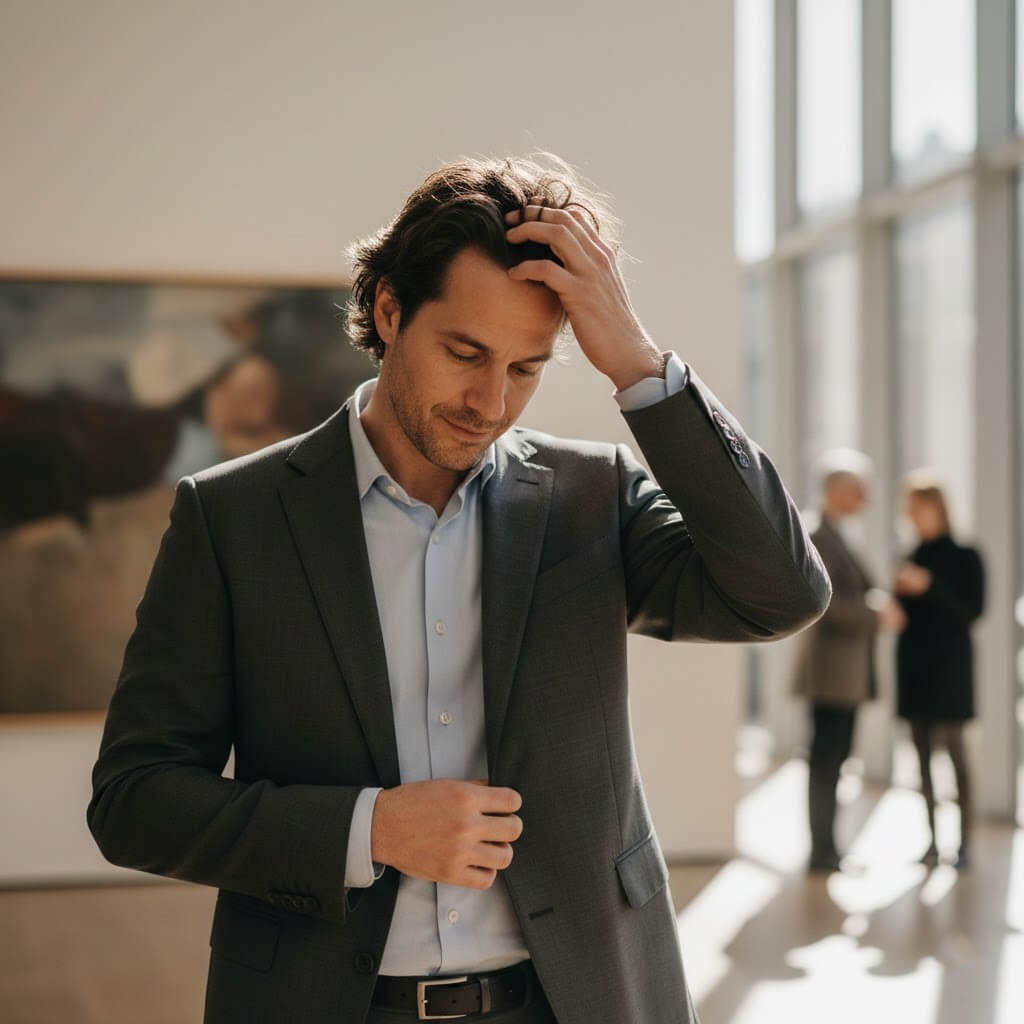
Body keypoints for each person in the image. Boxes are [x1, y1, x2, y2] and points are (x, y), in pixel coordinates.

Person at [88, 154, 831, 1024]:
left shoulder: (592, 499)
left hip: (577, 1000)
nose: (490, 401)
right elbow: (134, 799)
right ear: (390, 310)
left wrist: (635, 360)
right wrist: (370, 829)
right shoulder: (233, 519)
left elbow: (780, 592)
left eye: (526, 368)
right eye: (465, 352)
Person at [793, 451, 904, 873]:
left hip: (843, 671)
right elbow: (823, 603)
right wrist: (877, 614)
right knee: (826, 762)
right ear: (836, 492)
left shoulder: (835, 533)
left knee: (833, 761)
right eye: (860, 491)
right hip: (831, 672)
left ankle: (827, 849)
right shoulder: (819, 534)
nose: (866, 499)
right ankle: (822, 852)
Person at [893, 472, 985, 870]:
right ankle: (932, 843)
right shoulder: (911, 555)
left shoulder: (966, 556)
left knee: (956, 756)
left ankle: (963, 845)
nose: (915, 517)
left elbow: (972, 610)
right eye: (910, 510)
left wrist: (928, 586)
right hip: (915, 668)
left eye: (920, 509)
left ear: (939, 508)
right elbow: (905, 616)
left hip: (950, 669)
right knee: (922, 757)